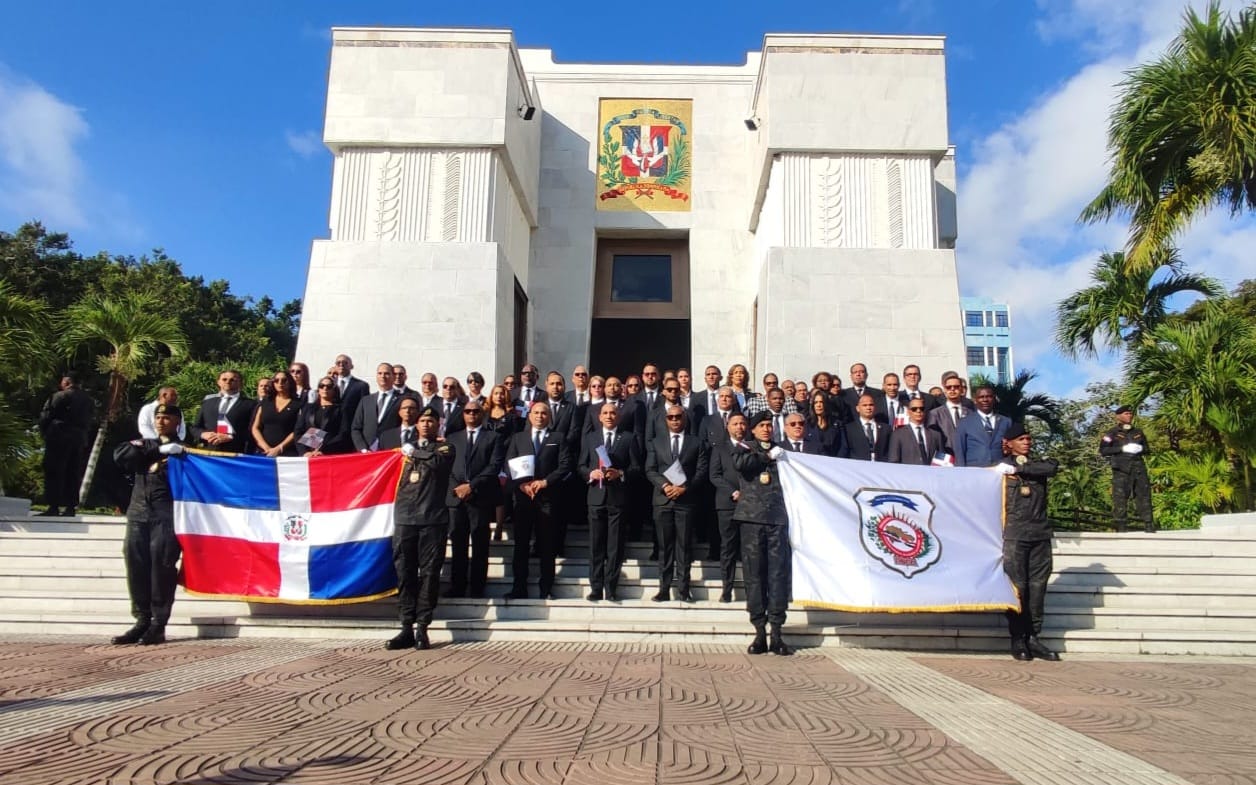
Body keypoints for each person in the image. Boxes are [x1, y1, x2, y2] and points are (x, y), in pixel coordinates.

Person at [110, 402, 187, 646]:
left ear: (177, 422)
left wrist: (175, 452)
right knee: (136, 565)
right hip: (138, 513)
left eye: (167, 418)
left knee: (161, 566)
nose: (161, 422)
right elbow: (121, 455)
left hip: (166, 514)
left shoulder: (185, 450)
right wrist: (159, 450)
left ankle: (158, 623)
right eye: (158, 417)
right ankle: (141, 619)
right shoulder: (145, 444)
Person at [386, 404, 455, 651]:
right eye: (422, 421)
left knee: (429, 574)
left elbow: (437, 463)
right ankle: (406, 626)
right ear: (416, 424)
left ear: (438, 425)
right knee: (405, 574)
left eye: (431, 421)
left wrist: (414, 452)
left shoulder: (445, 448)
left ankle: (422, 627)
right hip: (405, 519)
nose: (426, 424)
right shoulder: (402, 452)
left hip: (432, 520)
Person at [996, 422, 1061, 662]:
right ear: (1009, 443)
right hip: (1015, 535)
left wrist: (1019, 469)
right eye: (1021, 439)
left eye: (1028, 439)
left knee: (1038, 588)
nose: (1026, 442)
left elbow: (1052, 467)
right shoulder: (1000, 469)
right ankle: (1018, 637)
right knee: (1018, 588)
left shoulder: (1037, 465)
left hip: (1039, 534)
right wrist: (1007, 469)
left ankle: (1034, 636)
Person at [732, 410, 793, 655]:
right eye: (762, 426)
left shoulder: (783, 451)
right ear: (753, 429)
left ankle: (776, 632)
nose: (767, 429)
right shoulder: (744, 447)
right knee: (754, 575)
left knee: (777, 575)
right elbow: (742, 465)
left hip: (777, 519)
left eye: (769, 425)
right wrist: (766, 456)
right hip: (752, 519)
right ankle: (759, 631)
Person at [503, 402, 572, 599]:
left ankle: (546, 588)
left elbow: (565, 465)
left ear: (549, 417)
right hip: (523, 499)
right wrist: (522, 485)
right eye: (536, 413)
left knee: (547, 546)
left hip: (548, 498)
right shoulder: (518, 438)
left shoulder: (558, 438)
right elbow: (508, 466)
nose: (540, 416)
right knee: (521, 545)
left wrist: (545, 482)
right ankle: (519, 588)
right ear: (530, 415)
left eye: (544, 413)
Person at [579, 402, 641, 602]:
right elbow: (580, 465)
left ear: (618, 416)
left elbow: (636, 468)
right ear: (599, 417)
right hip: (595, 497)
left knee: (615, 546)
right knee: (596, 546)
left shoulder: (629, 438)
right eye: (605, 413)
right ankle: (596, 588)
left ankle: (611, 588)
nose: (608, 416)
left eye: (612, 413)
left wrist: (620, 473)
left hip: (617, 498)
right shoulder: (590, 438)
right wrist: (590, 473)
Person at [645, 405, 708, 603]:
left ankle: (683, 589)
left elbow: (701, 470)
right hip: (663, 500)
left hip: (685, 501)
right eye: (670, 417)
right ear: (666, 420)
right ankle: (664, 589)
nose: (674, 420)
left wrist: (685, 488)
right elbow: (650, 469)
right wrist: (665, 486)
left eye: (678, 416)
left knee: (684, 546)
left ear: (685, 418)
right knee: (664, 547)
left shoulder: (696, 442)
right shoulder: (656, 442)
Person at [444, 400, 505, 598]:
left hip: (480, 498)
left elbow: (494, 466)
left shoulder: (493, 437)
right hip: (457, 499)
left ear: (482, 414)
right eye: (468, 411)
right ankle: (457, 586)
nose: (472, 414)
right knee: (458, 545)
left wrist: (471, 486)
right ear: (463, 414)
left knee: (480, 545)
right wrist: (459, 488)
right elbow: (447, 466)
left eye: (476, 411)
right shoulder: (452, 438)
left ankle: (478, 588)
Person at [38, 374, 95, 517]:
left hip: (59, 436)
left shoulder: (59, 396)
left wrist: (44, 431)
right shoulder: (88, 400)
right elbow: (90, 420)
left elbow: (46, 415)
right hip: (78, 438)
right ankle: (71, 506)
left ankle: (53, 506)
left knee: (54, 470)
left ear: (67, 382)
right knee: (73, 471)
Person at [708, 411, 747, 603]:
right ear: (728, 427)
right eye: (735, 424)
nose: (739, 427)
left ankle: (752, 589)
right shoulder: (719, 448)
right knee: (728, 548)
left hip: (750, 505)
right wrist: (733, 492)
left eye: (742, 423)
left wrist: (747, 492)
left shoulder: (752, 447)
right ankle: (727, 589)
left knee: (750, 549)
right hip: (727, 505)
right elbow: (714, 475)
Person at [1100, 405, 1154, 533]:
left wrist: (1141, 449)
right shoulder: (1112, 433)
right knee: (1120, 497)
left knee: (1144, 495)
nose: (1129, 416)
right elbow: (1103, 450)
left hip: (1138, 468)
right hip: (1121, 469)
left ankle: (1149, 524)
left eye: (1130, 413)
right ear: (1118, 416)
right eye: (1126, 413)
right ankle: (1121, 525)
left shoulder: (1138, 432)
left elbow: (1147, 449)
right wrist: (1122, 449)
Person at [192, 369, 257, 454]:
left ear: (241, 383)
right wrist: (203, 434)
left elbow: (254, 429)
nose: (228, 382)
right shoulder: (208, 403)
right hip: (209, 453)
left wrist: (231, 437)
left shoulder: (251, 404)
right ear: (218, 382)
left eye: (232, 380)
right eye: (224, 379)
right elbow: (195, 427)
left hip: (236, 453)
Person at [953, 385, 1010, 467]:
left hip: (999, 468)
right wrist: (961, 471)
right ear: (975, 400)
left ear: (994, 399)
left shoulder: (1006, 421)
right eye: (981, 397)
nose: (985, 400)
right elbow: (960, 451)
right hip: (975, 469)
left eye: (989, 396)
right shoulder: (964, 422)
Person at [351, 363, 402, 452]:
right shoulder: (366, 400)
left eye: (386, 373)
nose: (383, 376)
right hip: (367, 452)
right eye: (380, 373)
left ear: (393, 376)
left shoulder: (402, 399)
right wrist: (363, 449)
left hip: (390, 451)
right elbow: (356, 428)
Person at [295, 375, 352, 455]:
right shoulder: (308, 408)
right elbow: (298, 431)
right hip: (308, 453)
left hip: (331, 452)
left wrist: (323, 450)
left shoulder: (341, 409)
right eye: (322, 386)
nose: (325, 388)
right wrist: (304, 451)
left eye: (329, 386)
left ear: (334, 390)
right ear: (318, 389)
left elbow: (343, 433)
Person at [251, 370, 302, 457]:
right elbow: (255, 427)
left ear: (290, 382)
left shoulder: (298, 404)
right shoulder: (265, 401)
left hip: (288, 453)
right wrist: (266, 448)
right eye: (276, 380)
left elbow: (298, 430)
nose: (280, 383)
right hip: (263, 452)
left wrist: (279, 448)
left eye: (284, 380)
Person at [842, 393, 891, 461]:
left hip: (881, 465)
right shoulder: (848, 429)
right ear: (858, 408)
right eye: (864, 405)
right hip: (857, 465)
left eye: (871, 405)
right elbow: (844, 451)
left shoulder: (886, 428)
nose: (868, 408)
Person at [804, 389, 844, 457]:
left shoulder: (837, 424)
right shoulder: (807, 424)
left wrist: (837, 461)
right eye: (816, 402)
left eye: (821, 402)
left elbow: (843, 446)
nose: (818, 405)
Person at [331, 354, 370, 421]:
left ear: (352, 366)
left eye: (345, 363)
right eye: (338, 363)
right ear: (335, 366)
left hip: (351, 424)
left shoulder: (361, 386)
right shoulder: (329, 385)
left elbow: (364, 409)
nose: (341, 365)